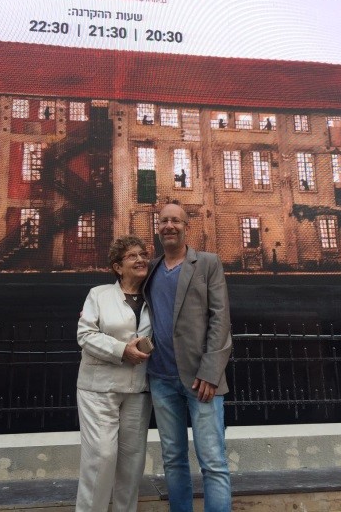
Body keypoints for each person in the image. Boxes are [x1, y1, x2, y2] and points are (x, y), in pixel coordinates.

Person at [144, 203, 232, 512]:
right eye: (164, 221)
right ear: (158, 228)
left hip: (201, 380)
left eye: (176, 221)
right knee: (173, 460)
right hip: (161, 379)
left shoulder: (208, 263)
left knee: (213, 461)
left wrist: (211, 372)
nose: (169, 225)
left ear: (186, 227)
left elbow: (220, 319)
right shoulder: (150, 269)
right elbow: (129, 301)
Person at [76, 235, 153, 512]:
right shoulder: (99, 295)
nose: (140, 259)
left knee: (132, 463)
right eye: (132, 256)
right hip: (99, 389)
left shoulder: (154, 297)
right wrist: (122, 350)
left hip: (138, 389)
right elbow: (85, 335)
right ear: (118, 267)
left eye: (143, 254)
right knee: (102, 458)